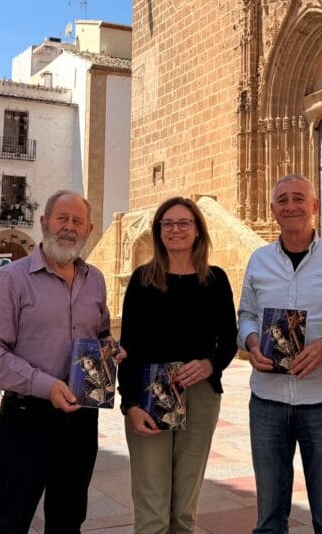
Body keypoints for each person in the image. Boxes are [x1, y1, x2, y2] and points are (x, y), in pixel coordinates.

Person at [0, 190, 122, 534]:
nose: (69, 228)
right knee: (12, 521)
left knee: (68, 521)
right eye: (62, 219)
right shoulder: (12, 279)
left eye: (77, 221)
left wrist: (110, 350)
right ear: (44, 223)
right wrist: (46, 385)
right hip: (26, 419)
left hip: (81, 420)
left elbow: (99, 334)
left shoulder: (95, 279)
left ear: (89, 229)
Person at [238, 175, 322, 534]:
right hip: (267, 402)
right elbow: (245, 315)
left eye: (298, 198)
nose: (290, 205)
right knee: (269, 519)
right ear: (273, 210)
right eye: (282, 200)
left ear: (315, 206)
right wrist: (250, 343)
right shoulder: (259, 261)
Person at [118, 196, 237, 534]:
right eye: (167, 224)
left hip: (199, 396)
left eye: (184, 223)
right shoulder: (143, 280)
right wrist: (129, 404)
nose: (176, 230)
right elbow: (129, 346)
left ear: (198, 230)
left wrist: (210, 365)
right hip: (149, 396)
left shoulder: (215, 280)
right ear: (158, 232)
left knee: (184, 511)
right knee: (153, 511)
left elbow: (229, 339)